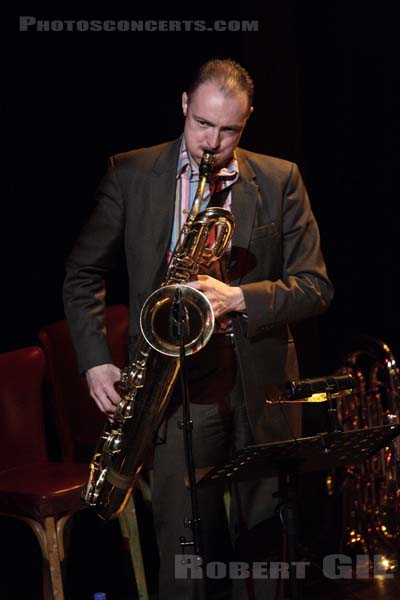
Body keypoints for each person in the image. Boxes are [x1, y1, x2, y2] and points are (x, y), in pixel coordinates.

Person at [63, 58, 334, 599]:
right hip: (177, 387)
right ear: (185, 106)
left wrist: (238, 297)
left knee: (265, 554)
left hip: (260, 387)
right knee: (185, 552)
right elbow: (83, 272)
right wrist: (95, 361)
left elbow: (315, 287)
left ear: (248, 120)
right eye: (203, 125)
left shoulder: (281, 180)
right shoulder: (132, 172)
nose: (213, 143)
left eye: (229, 130)